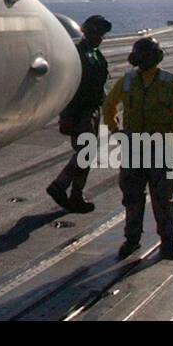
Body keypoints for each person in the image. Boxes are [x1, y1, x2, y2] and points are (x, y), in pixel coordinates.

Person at [102, 36, 173, 260]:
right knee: (133, 197)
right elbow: (108, 105)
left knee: (162, 198)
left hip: (158, 149)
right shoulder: (128, 81)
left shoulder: (169, 81)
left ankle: (166, 241)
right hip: (137, 149)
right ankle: (136, 240)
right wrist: (115, 129)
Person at [47, 15, 112, 213]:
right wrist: (66, 115)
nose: (100, 38)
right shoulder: (76, 55)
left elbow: (100, 85)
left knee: (86, 153)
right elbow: (66, 86)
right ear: (88, 33)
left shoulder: (95, 54)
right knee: (86, 152)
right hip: (79, 112)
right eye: (98, 34)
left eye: (102, 35)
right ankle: (60, 186)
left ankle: (76, 196)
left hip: (92, 111)